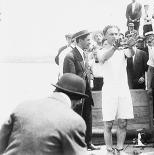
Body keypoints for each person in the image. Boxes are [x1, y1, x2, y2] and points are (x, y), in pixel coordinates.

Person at [0, 73, 88, 155]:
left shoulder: (23, 106)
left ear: (56, 90)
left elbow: (1, 143)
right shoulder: (74, 121)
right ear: (79, 101)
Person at [97, 25, 136, 155]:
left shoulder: (122, 50)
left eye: (116, 34)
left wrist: (130, 46)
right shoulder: (101, 50)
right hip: (109, 91)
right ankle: (109, 150)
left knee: (123, 122)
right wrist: (114, 47)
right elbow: (103, 58)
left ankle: (119, 149)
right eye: (111, 34)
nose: (114, 36)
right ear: (105, 36)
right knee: (108, 124)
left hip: (123, 90)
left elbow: (131, 54)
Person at [63, 30, 100, 151]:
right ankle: (76, 145)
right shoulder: (70, 56)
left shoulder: (84, 55)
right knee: (76, 119)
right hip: (76, 95)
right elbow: (70, 78)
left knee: (87, 117)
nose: (90, 42)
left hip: (86, 93)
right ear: (80, 40)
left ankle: (88, 142)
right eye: (88, 40)